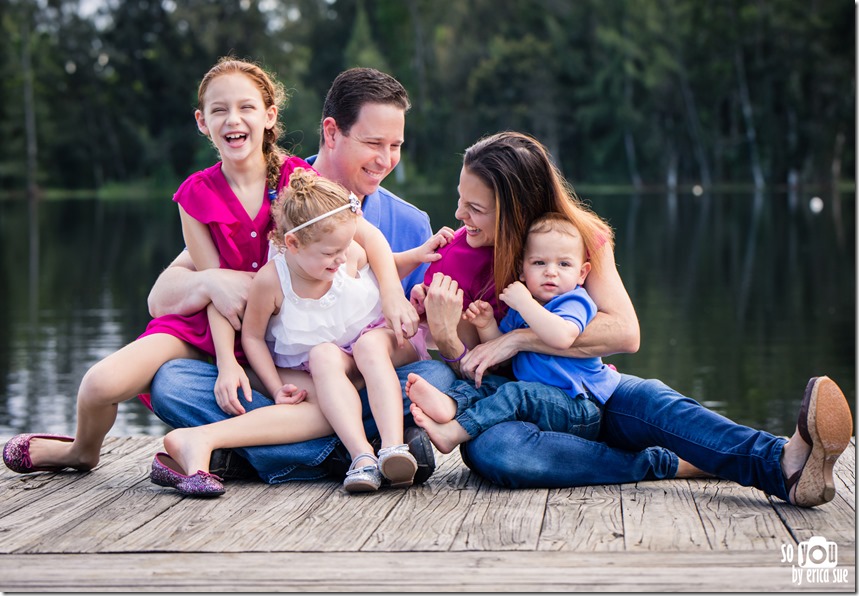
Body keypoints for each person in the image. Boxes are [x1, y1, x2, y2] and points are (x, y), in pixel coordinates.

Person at [416, 130, 853, 507]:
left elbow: (625, 332)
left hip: (588, 389)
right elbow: (473, 371)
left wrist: (518, 339)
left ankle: (785, 464)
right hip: (523, 410)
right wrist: (445, 335)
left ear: (515, 208)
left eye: (475, 207)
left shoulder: (578, 240)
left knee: (652, 401)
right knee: (496, 452)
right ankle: (669, 462)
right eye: (460, 200)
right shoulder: (460, 262)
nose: (459, 216)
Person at [145, 67, 455, 485]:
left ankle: (250, 455)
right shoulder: (278, 196)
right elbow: (163, 296)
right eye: (372, 143)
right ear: (331, 132)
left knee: (433, 377)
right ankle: (353, 450)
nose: (385, 159)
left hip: (365, 375)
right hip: (282, 381)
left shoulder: (411, 224)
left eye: (395, 145)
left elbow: (421, 342)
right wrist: (211, 281)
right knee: (172, 382)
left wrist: (437, 319)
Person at [2, 57, 309, 476]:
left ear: (269, 116)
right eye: (219, 110)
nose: (232, 119)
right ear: (202, 122)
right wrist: (225, 363)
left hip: (274, 329)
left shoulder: (296, 180)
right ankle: (81, 452)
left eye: (246, 107)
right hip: (208, 325)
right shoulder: (195, 195)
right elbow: (213, 285)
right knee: (98, 384)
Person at [409, 213, 616, 454]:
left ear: (582, 273)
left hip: (578, 406)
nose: (551, 272)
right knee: (491, 383)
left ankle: (454, 432)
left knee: (515, 392)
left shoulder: (575, 301)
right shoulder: (520, 310)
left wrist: (525, 303)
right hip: (538, 399)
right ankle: (452, 404)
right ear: (522, 270)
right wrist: (486, 325)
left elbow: (562, 337)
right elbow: (502, 354)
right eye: (539, 263)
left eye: (564, 264)